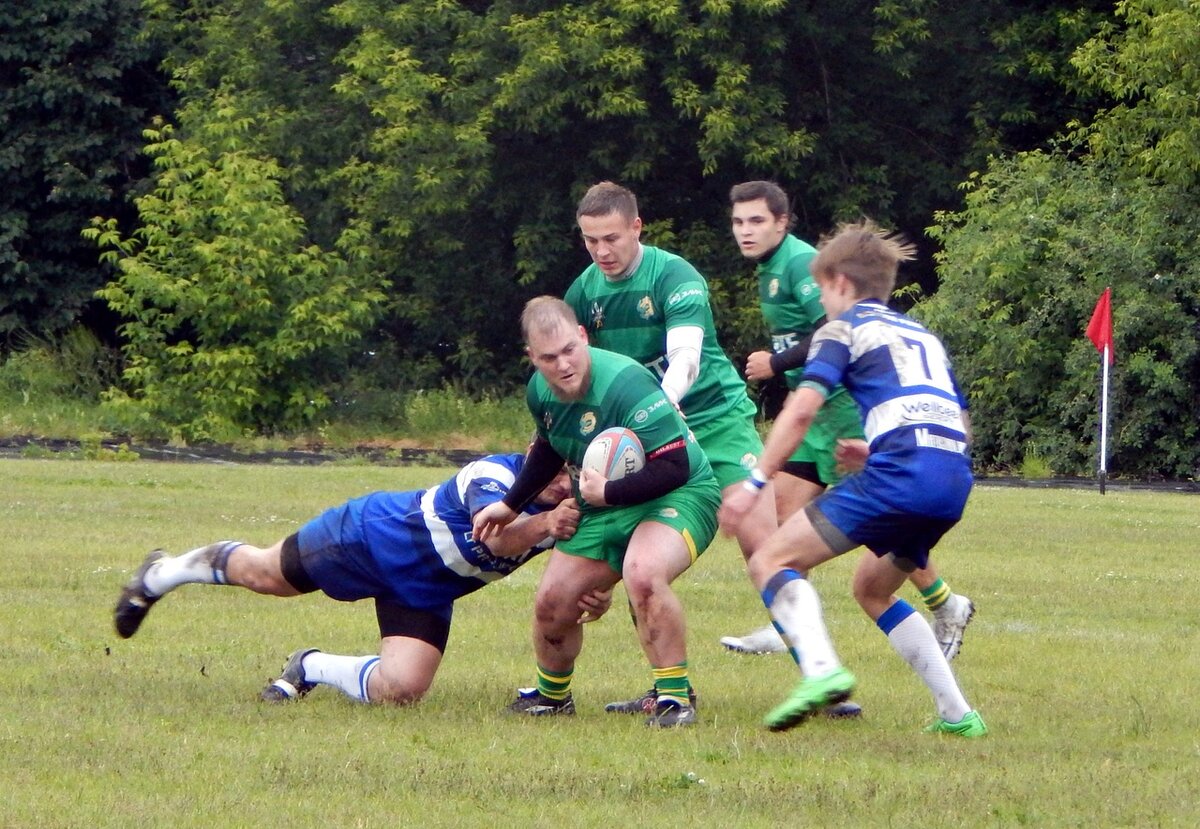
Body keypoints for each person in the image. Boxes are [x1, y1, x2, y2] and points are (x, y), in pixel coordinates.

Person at [564, 181, 860, 719]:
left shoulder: (675, 276)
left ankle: (822, 677)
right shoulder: (583, 294)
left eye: (611, 238)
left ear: (637, 228)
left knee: (763, 545)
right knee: (635, 554)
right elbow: (586, 381)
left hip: (716, 422)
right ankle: (667, 688)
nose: (602, 252)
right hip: (648, 435)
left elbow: (686, 359)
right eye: (590, 241)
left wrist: (662, 406)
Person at [720, 219, 987, 737]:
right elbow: (960, 425)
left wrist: (755, 483)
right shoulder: (921, 335)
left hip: (901, 477)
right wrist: (877, 448)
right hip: (951, 481)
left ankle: (821, 671)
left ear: (840, 284)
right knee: (872, 589)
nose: (823, 303)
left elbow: (800, 412)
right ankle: (959, 716)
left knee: (772, 557)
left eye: (822, 290)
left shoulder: (839, 330)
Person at [112, 451, 610, 705]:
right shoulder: (495, 476)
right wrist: (546, 524)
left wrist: (596, 594)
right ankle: (162, 572)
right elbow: (494, 539)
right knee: (266, 575)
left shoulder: (568, 510)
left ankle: (308, 667)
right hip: (369, 538)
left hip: (427, 587)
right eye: (553, 468)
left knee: (402, 690)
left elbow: (577, 572)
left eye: (570, 473)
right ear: (533, 451)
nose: (559, 483)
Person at [472, 296, 720, 727]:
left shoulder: (627, 384)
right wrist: (510, 505)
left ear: (583, 337)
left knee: (642, 572)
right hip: (607, 497)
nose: (564, 364)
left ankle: (675, 702)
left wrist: (609, 492)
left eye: (571, 350)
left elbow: (675, 466)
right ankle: (552, 698)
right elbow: (551, 445)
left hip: (681, 492)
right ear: (532, 359)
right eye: (549, 358)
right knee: (554, 600)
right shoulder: (540, 392)